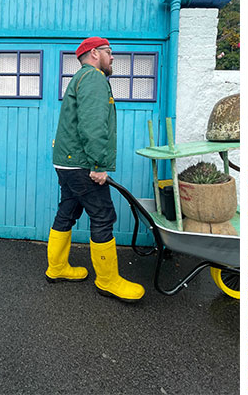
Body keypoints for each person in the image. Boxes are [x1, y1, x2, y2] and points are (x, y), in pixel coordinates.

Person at [45, 36, 145, 302]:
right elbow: (92, 125)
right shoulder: (93, 78)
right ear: (93, 54)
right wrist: (99, 164)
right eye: (109, 52)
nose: (112, 57)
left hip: (67, 163)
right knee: (102, 216)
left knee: (68, 210)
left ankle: (57, 268)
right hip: (81, 164)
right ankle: (108, 280)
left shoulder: (80, 79)